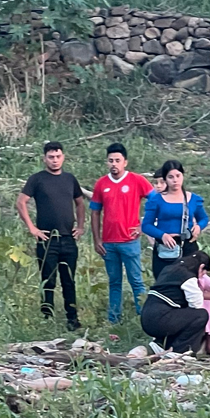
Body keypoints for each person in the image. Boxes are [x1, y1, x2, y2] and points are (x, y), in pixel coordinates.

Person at [19, 141, 88, 329]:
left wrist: (80, 226)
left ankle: (72, 319)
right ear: (45, 159)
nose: (55, 160)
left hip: (68, 239)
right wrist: (33, 229)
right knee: (48, 280)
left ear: (63, 157)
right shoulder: (37, 179)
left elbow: (80, 203)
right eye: (51, 157)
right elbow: (21, 202)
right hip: (47, 239)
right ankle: (47, 318)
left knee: (69, 280)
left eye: (58, 156)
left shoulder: (70, 179)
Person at [89, 143, 153, 322]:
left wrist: (143, 226)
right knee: (114, 282)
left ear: (125, 162)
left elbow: (155, 201)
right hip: (108, 243)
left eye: (118, 160)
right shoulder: (101, 184)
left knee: (137, 282)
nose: (114, 164)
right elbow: (95, 212)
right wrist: (96, 240)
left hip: (129, 241)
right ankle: (114, 320)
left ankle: (145, 319)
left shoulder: (137, 180)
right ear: (106, 162)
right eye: (111, 161)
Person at [141, 159, 207, 278]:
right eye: (171, 177)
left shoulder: (193, 199)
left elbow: (203, 218)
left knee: (189, 283)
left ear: (183, 176)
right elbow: (146, 225)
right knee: (164, 282)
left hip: (188, 246)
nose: (175, 180)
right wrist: (162, 235)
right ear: (166, 179)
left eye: (178, 176)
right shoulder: (156, 200)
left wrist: (198, 226)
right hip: (166, 248)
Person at [141, 252, 210, 354]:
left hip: (147, 317)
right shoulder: (188, 276)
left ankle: (162, 345)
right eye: (203, 273)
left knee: (178, 314)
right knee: (200, 315)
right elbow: (196, 304)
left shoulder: (168, 269)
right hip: (161, 318)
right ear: (201, 267)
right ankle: (180, 351)